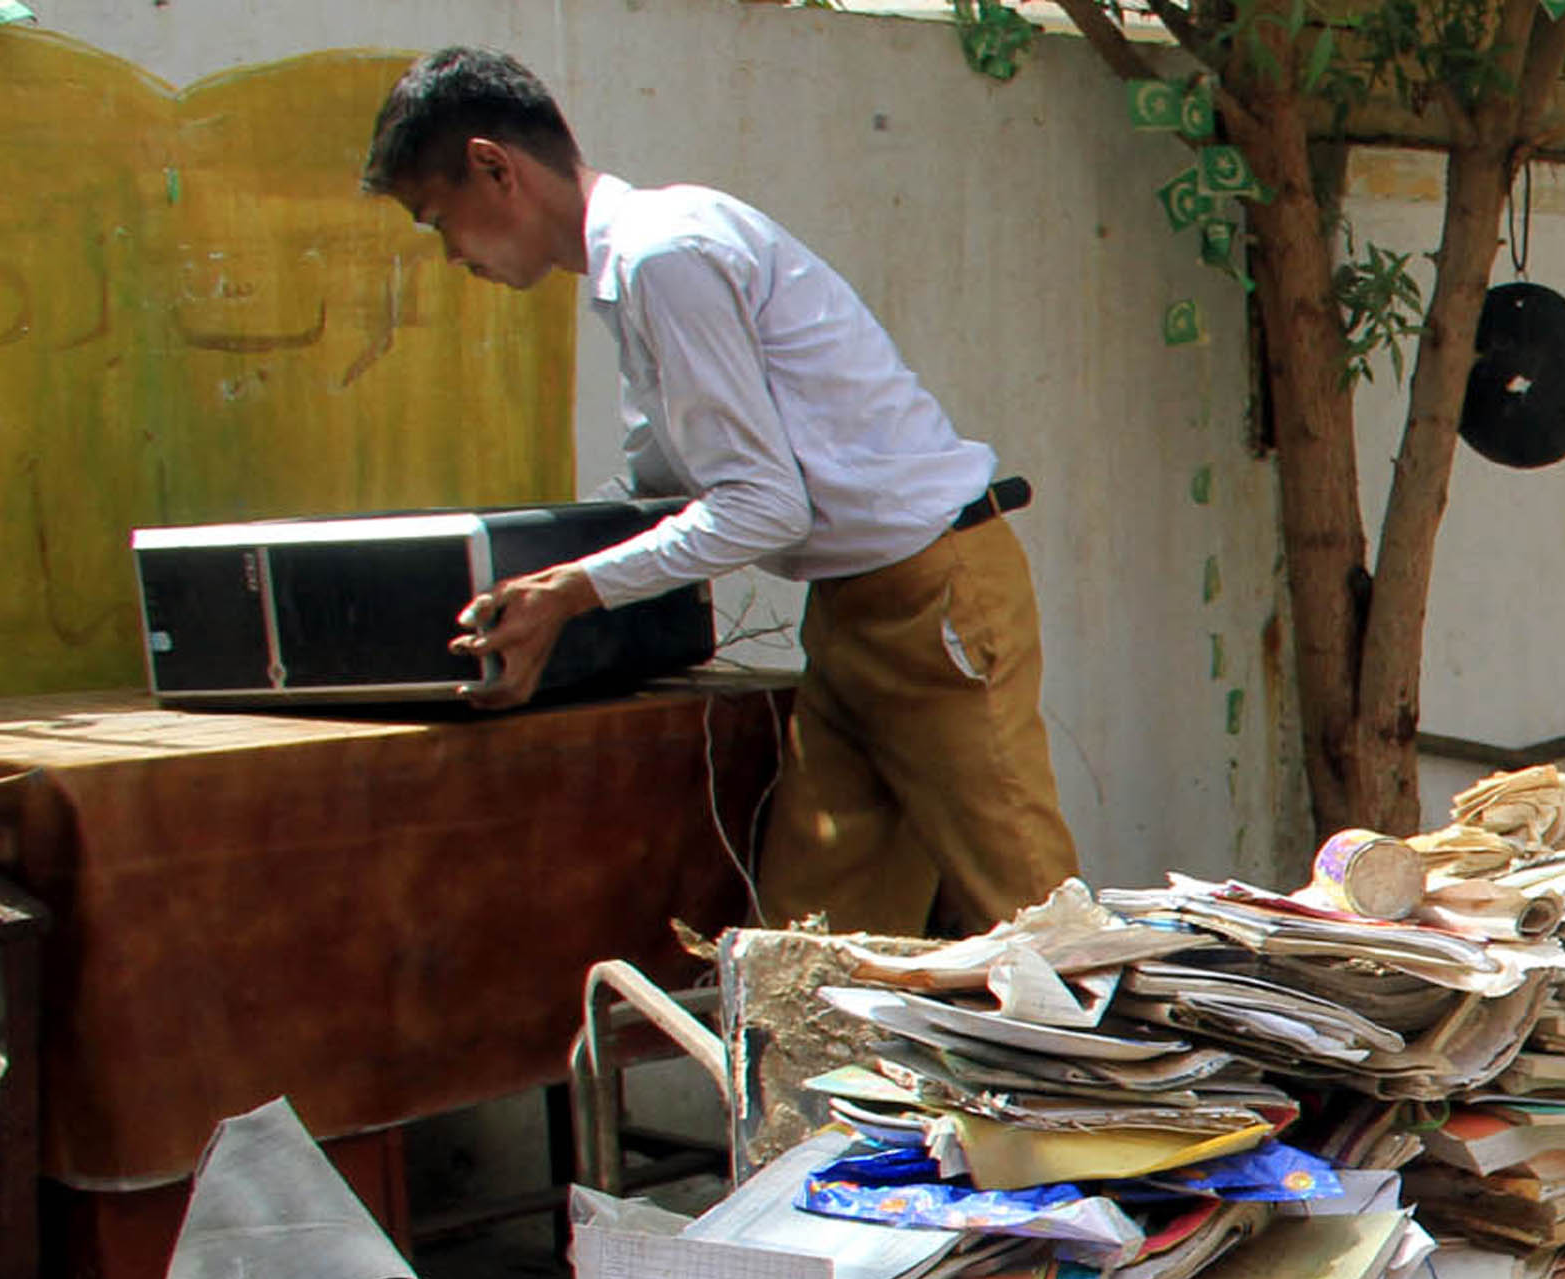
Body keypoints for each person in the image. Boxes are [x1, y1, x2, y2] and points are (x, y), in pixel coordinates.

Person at [362, 45, 1078, 936]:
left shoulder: (666, 253)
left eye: (438, 223)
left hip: (933, 598)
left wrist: (574, 591)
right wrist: (540, 585)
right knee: (815, 946)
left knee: (1037, 922)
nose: (449, 257)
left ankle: (1190, 1070)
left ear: (492, 167)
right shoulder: (631, 269)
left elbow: (763, 506)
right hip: (853, 607)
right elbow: (660, 487)